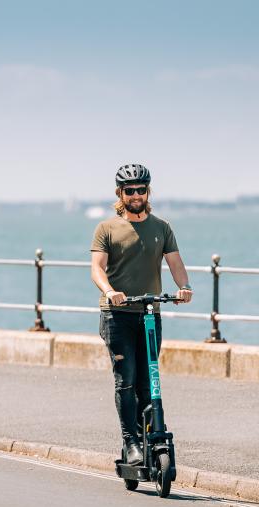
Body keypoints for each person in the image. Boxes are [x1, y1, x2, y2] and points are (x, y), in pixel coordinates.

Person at [90, 163, 193, 465]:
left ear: (148, 192)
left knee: (149, 382)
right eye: (129, 190)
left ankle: (150, 435)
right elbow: (97, 267)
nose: (135, 195)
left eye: (141, 190)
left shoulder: (162, 227)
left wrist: (184, 287)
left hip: (149, 314)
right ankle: (131, 442)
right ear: (120, 194)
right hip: (117, 315)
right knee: (127, 380)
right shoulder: (106, 229)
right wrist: (110, 291)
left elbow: (175, 263)